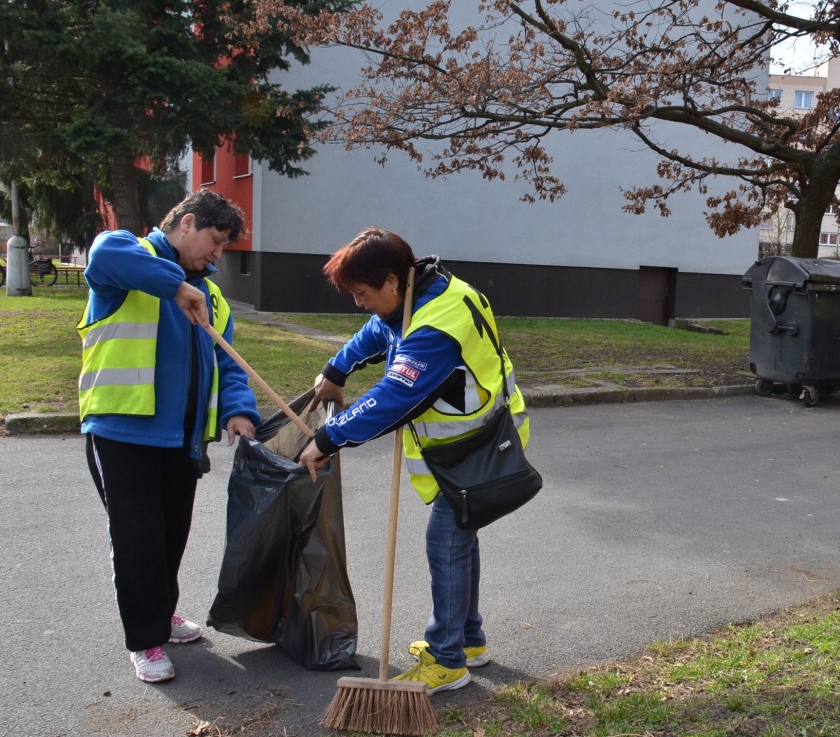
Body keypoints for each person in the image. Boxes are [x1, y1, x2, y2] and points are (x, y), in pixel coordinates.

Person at [297, 228, 530, 694]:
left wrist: (326, 439)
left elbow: (394, 396)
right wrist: (337, 368)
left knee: (446, 541)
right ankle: (467, 641)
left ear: (390, 281)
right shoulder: (422, 292)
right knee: (459, 538)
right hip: (475, 440)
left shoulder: (436, 327)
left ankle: (446, 661)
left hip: (476, 447)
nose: (359, 303)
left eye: (362, 293)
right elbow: (380, 329)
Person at [80, 190, 260, 683]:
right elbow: (104, 255)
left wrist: (239, 411)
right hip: (121, 432)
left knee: (169, 536)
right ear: (186, 223)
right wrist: (176, 285)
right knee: (137, 538)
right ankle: (144, 639)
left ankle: (161, 615)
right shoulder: (126, 256)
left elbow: (227, 363)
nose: (219, 254)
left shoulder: (213, 298)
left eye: (224, 247)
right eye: (216, 241)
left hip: (183, 441)